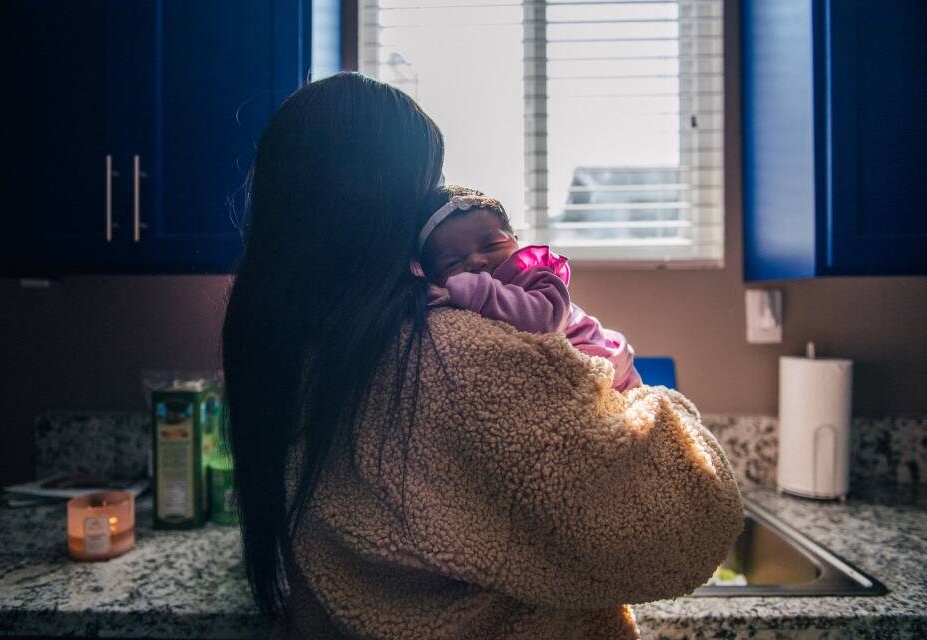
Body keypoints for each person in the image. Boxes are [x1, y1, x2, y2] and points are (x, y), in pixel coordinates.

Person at [222, 72, 744, 639]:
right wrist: (648, 400)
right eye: (427, 185)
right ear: (384, 208)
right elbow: (689, 520)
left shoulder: (290, 349)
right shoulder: (459, 358)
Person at [413, 185, 642, 391]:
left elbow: (542, 324)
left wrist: (469, 287)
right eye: (452, 262)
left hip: (614, 369)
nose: (476, 261)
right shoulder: (445, 308)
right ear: (431, 276)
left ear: (515, 240)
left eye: (492, 244)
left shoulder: (536, 276)